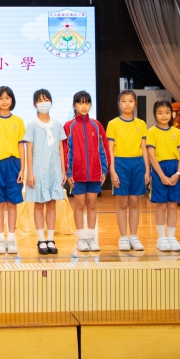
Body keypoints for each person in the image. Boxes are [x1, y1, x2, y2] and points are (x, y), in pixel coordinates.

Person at [63, 91, 108, 253]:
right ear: (74, 105)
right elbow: (66, 151)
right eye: (80, 103)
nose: (84, 106)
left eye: (87, 103)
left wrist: (104, 170)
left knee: (92, 204)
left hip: (94, 173)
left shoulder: (96, 125)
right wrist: (68, 172)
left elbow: (103, 149)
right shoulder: (68, 126)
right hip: (77, 175)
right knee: (80, 204)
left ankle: (91, 237)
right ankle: (81, 238)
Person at [24, 89, 67, 255]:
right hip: (38, 169)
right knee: (39, 203)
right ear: (35, 104)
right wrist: (30, 172)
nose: (44, 103)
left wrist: (63, 170)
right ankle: (41, 239)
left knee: (52, 203)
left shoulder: (57, 124)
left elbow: (60, 148)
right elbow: (29, 149)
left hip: (53, 169)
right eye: (40, 100)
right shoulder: (32, 125)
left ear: (51, 102)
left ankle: (50, 238)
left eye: (46, 99)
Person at [0, 86, 26, 255]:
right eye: (0, 98)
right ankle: (1, 239)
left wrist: (23, 169)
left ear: (12, 100)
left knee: (11, 203)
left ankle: (12, 239)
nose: (4, 101)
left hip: (13, 164)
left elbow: (21, 146)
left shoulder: (18, 121)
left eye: (7, 98)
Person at [106, 90, 149, 251]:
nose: (127, 104)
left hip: (137, 163)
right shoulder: (113, 124)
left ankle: (134, 236)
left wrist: (147, 170)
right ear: (119, 104)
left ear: (135, 103)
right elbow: (110, 149)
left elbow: (144, 148)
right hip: (120, 163)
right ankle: (123, 237)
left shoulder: (141, 124)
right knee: (122, 202)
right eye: (124, 101)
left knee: (135, 202)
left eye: (130, 101)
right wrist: (113, 170)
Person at [146, 100, 180, 252]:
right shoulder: (151, 132)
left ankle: (171, 237)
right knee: (161, 205)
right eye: (160, 113)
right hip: (159, 169)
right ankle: (161, 238)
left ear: (172, 114)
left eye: (167, 113)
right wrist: (161, 176)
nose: (164, 116)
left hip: (174, 168)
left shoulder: (177, 132)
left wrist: (178, 173)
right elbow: (151, 156)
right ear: (155, 114)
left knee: (173, 205)